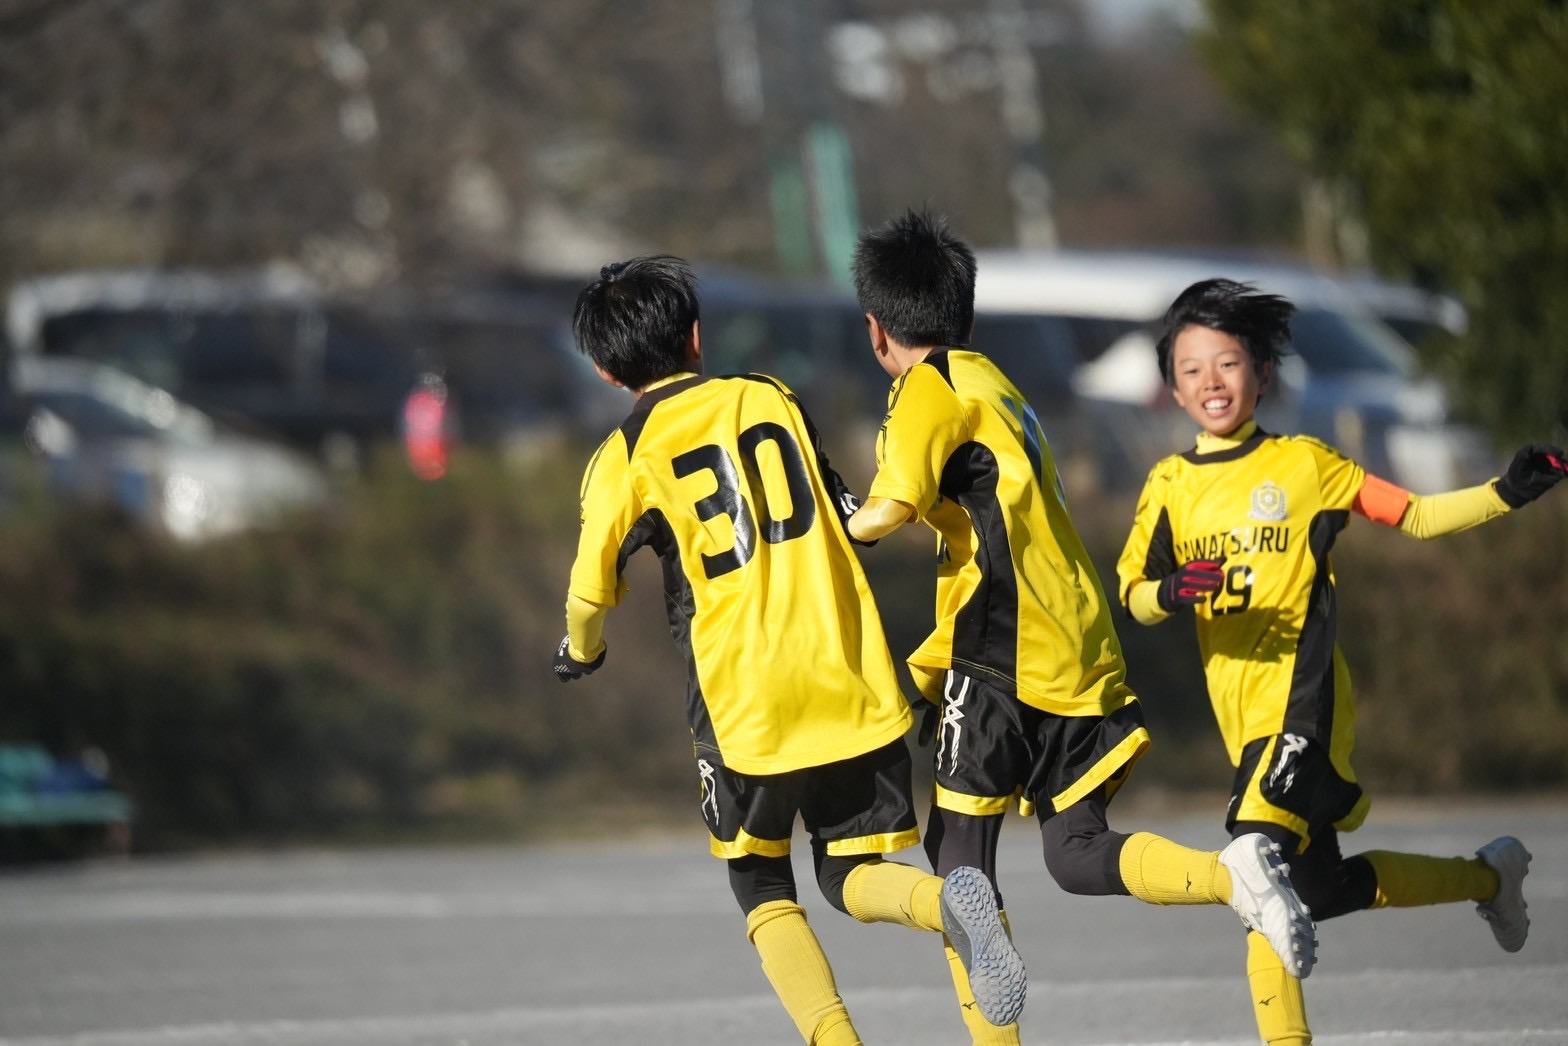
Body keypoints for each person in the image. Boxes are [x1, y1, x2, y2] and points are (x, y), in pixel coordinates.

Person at [845, 210, 1317, 1046]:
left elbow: (885, 510)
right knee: (1073, 852)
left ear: (878, 329)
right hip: (1082, 643)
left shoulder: (927, 387)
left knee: (959, 861)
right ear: (966, 311)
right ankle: (1231, 876)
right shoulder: (997, 381)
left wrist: (837, 520)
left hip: (1002, 648)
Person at [551, 254, 1028, 1045]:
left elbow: (588, 593)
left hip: (745, 700)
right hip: (850, 674)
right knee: (849, 872)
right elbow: (845, 509)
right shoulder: (769, 396)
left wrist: (581, 651)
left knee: (762, 879)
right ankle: (946, 902)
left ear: (604, 371)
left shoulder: (623, 454)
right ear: (698, 338)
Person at [1115, 277, 1565, 1045]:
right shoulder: (1168, 486)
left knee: (1254, 871)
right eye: (1191, 369)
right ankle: (1491, 877)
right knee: (1319, 888)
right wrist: (1173, 589)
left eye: (1227, 363)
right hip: (1241, 722)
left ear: (1261, 371)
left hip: (1304, 706)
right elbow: (1132, 594)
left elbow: (1416, 515)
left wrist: (1505, 492)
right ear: (1172, 386)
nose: (1211, 383)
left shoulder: (1307, 466)